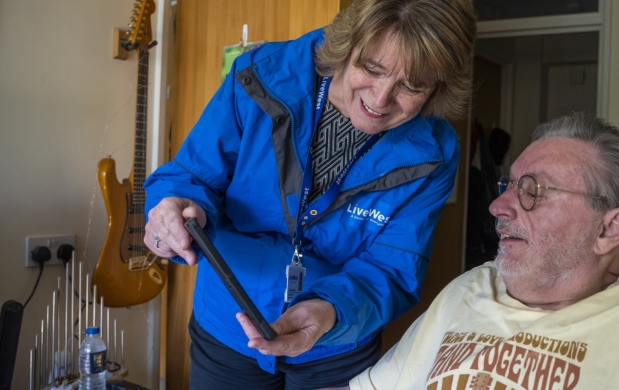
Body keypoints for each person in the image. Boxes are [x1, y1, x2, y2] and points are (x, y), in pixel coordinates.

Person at [142, 0, 477, 388]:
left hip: (336, 344)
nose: (380, 99)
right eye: (372, 69)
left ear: (439, 86)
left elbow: (392, 268)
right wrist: (172, 207)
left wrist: (331, 311)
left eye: (411, 85)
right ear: (347, 44)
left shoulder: (436, 151)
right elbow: (189, 176)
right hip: (227, 327)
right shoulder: (258, 75)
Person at [348, 112, 619, 389]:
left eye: (533, 191)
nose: (496, 206)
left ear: (609, 229)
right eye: (508, 185)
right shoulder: (472, 286)